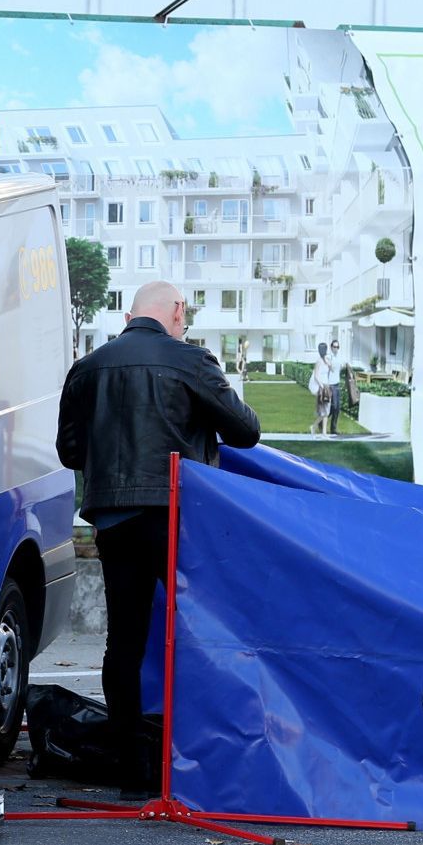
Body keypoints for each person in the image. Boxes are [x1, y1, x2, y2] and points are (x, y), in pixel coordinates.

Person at [55, 280, 261, 797]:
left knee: (123, 637)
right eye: (183, 315)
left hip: (113, 520)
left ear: (130, 315)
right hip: (178, 515)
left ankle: (131, 768)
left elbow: (69, 451)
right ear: (175, 310)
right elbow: (245, 431)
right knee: (196, 630)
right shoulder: (190, 361)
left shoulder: (88, 368)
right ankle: (202, 755)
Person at [309, 341, 335, 435]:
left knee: (326, 411)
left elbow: (332, 370)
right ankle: (316, 427)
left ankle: (322, 431)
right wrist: (321, 386)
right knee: (323, 411)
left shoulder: (327, 360)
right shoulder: (319, 361)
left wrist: (329, 363)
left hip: (326, 386)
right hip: (322, 387)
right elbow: (316, 375)